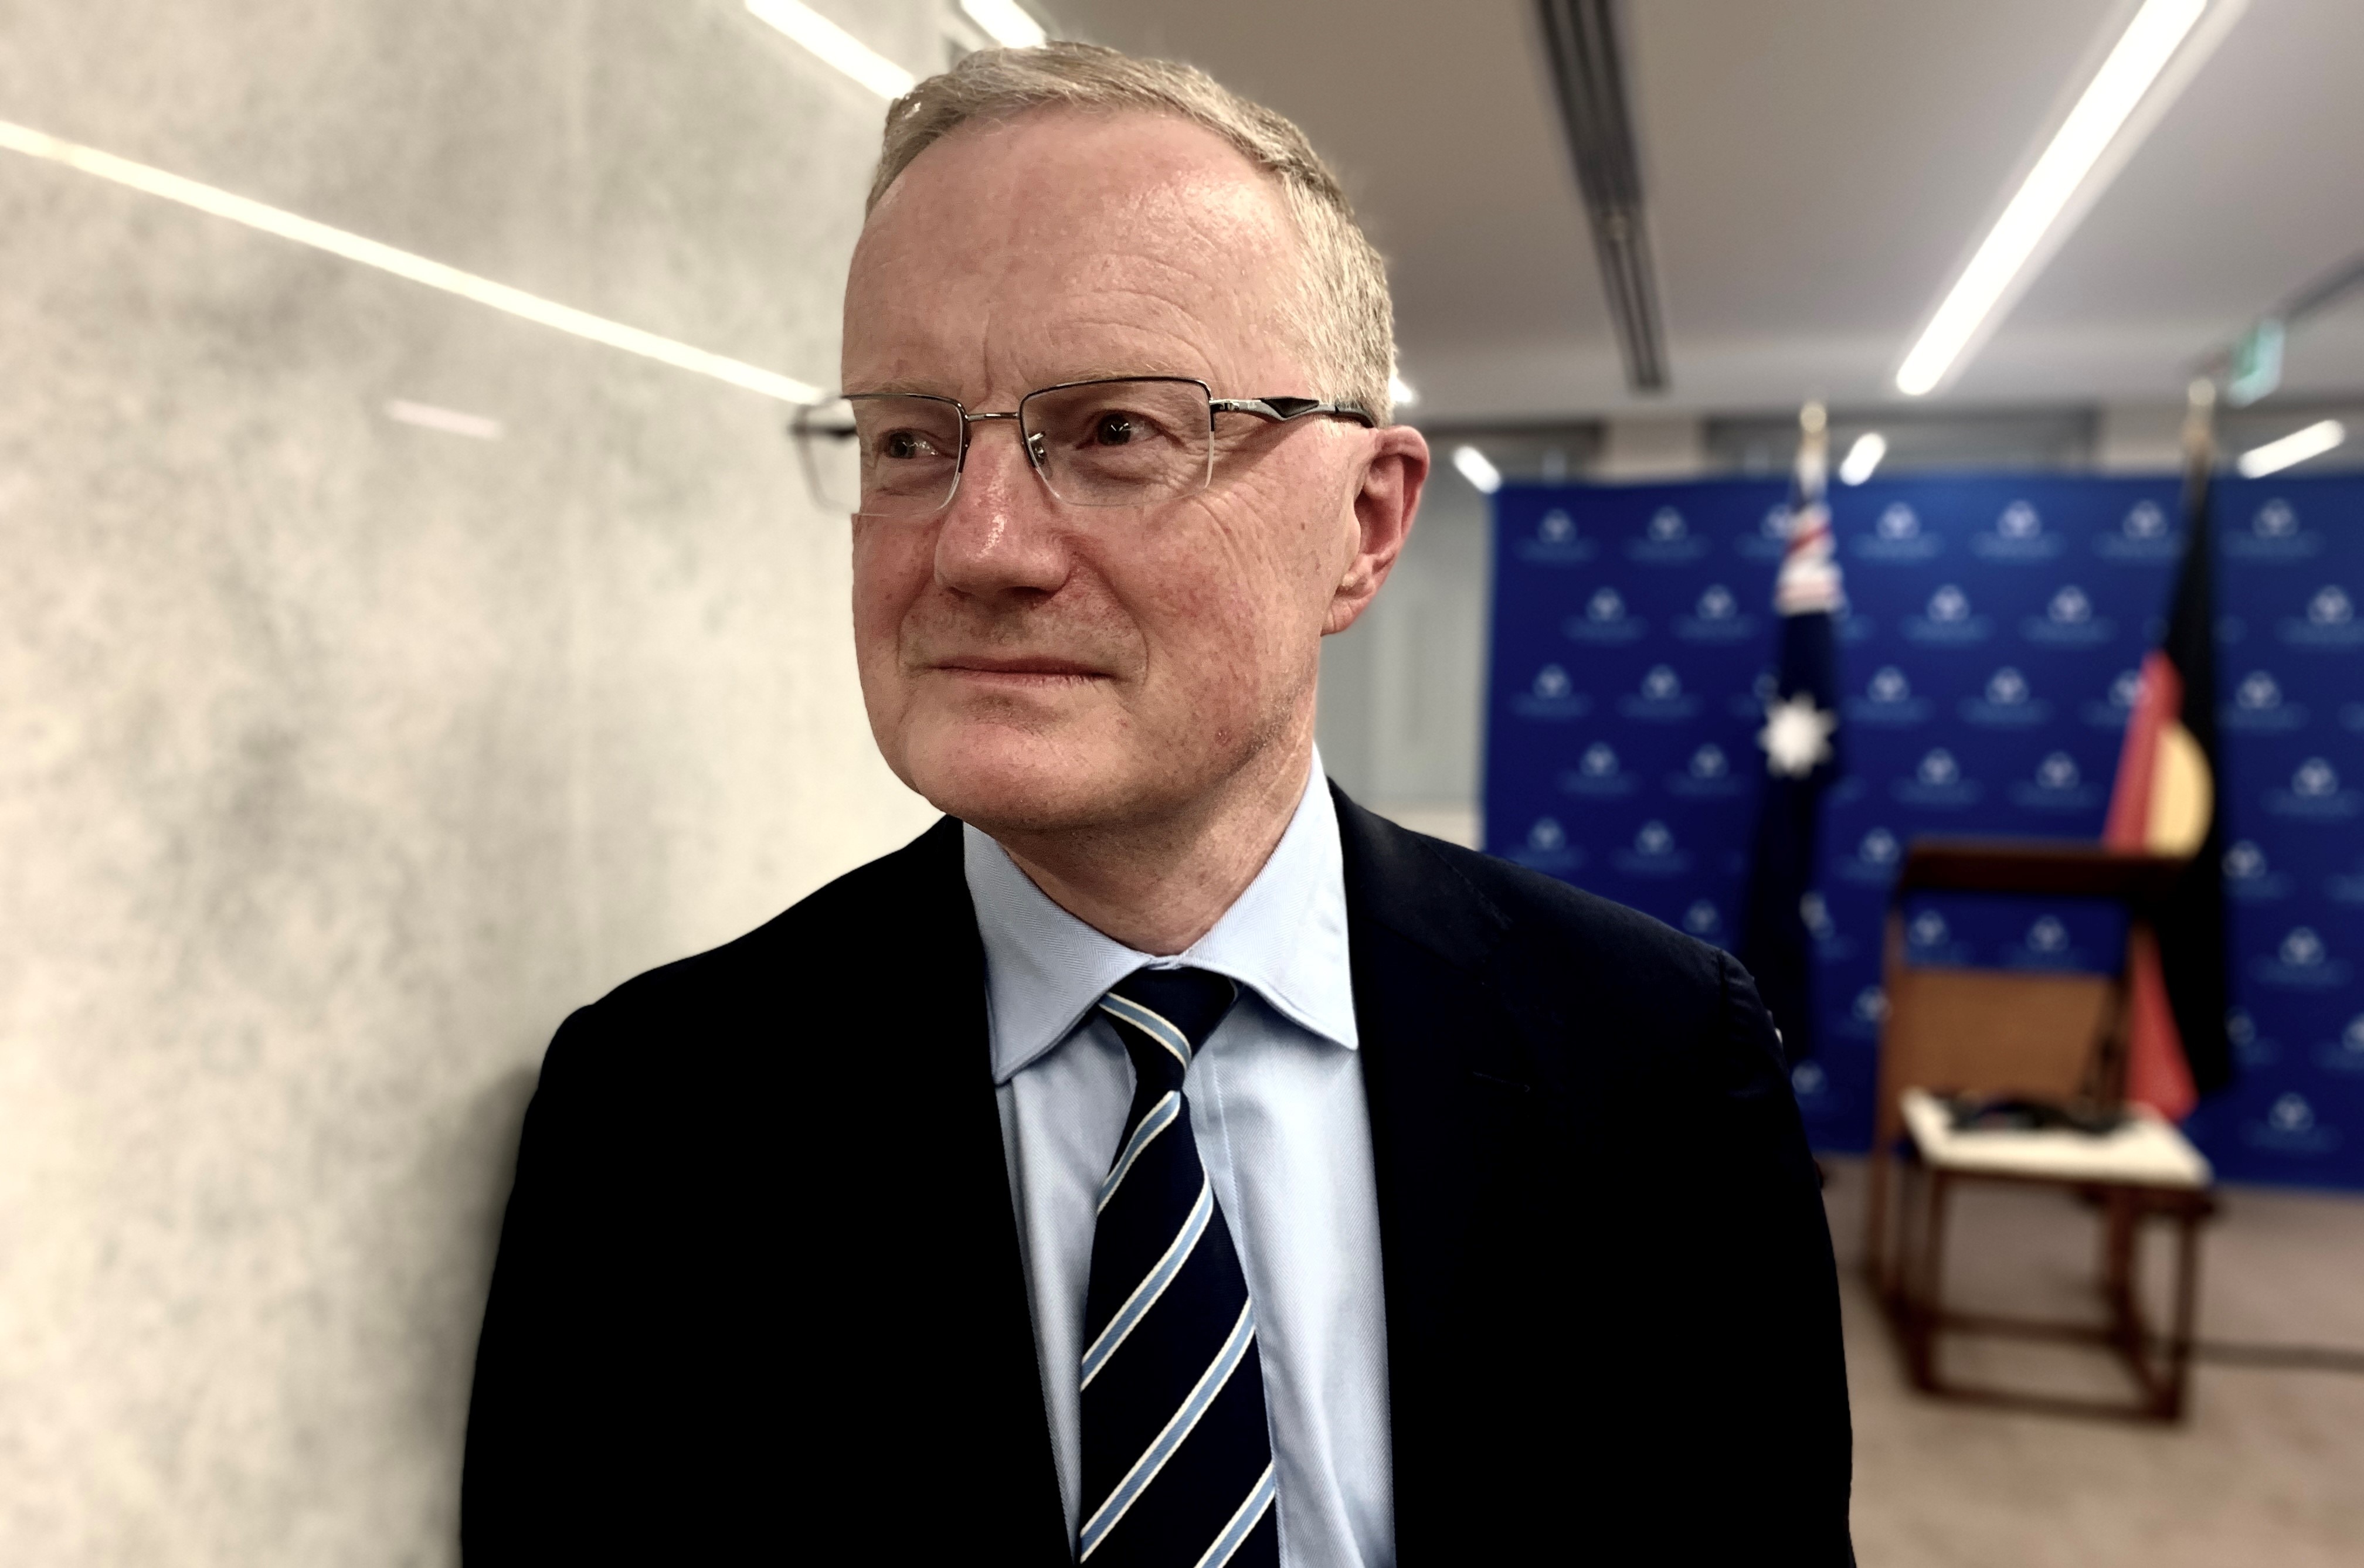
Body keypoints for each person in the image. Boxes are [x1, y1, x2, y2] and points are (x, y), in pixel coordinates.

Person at [461, 42, 1851, 1566]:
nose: (978, 544)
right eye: (911, 441)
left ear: (1366, 522)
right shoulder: (654, 1115)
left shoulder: (1660, 1059)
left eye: (1119, 430)